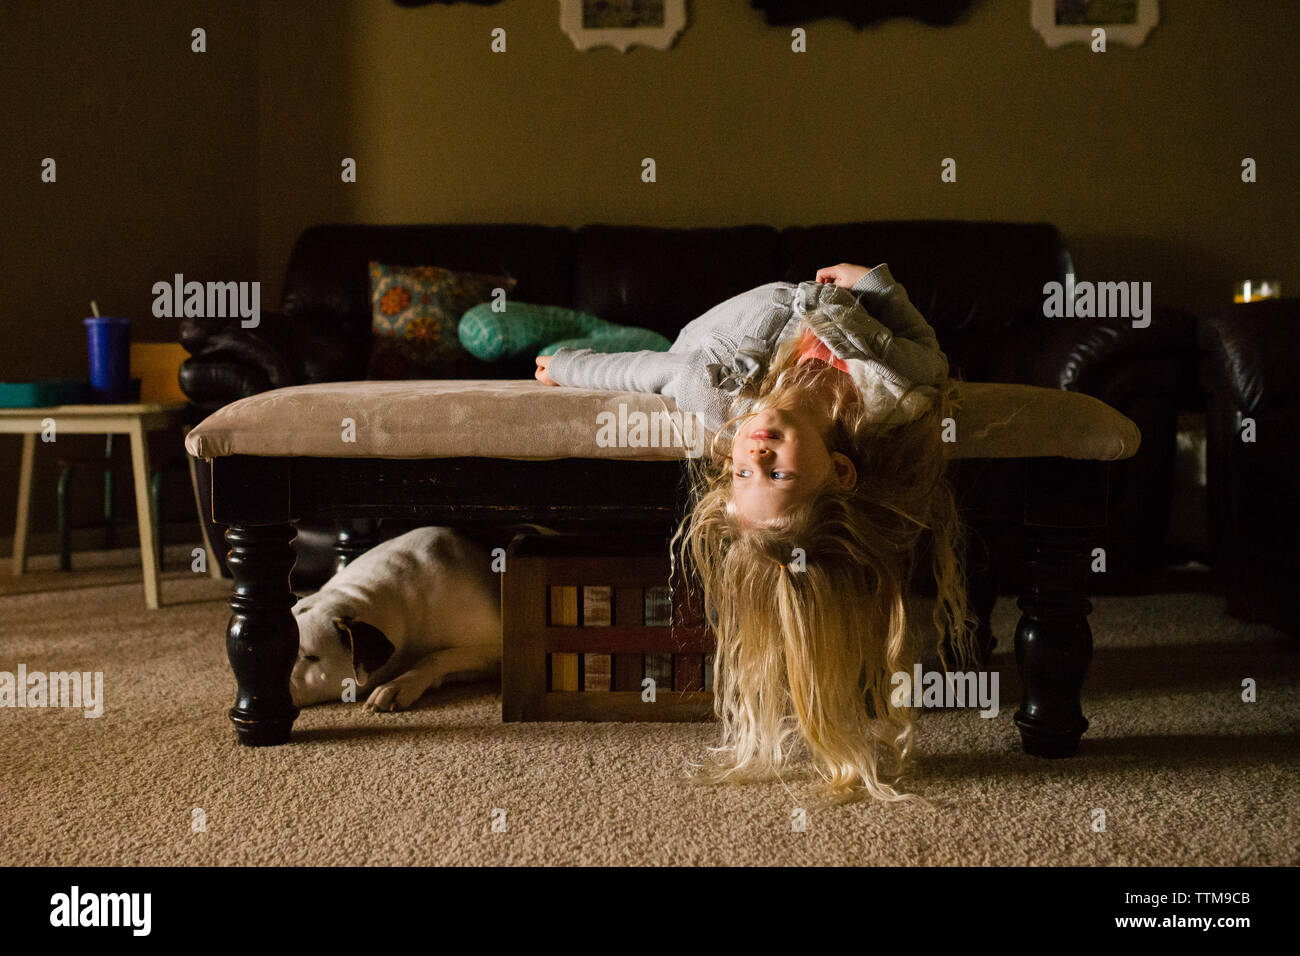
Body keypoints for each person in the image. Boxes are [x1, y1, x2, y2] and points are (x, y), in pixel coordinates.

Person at [534, 263, 974, 803]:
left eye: (744, 474)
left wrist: (568, 365)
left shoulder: (716, 395)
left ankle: (588, 334)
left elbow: (647, 371)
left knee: (649, 350)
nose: (755, 454)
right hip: (807, 302)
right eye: (779, 474)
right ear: (840, 471)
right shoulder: (896, 392)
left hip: (691, 338)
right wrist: (875, 287)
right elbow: (923, 343)